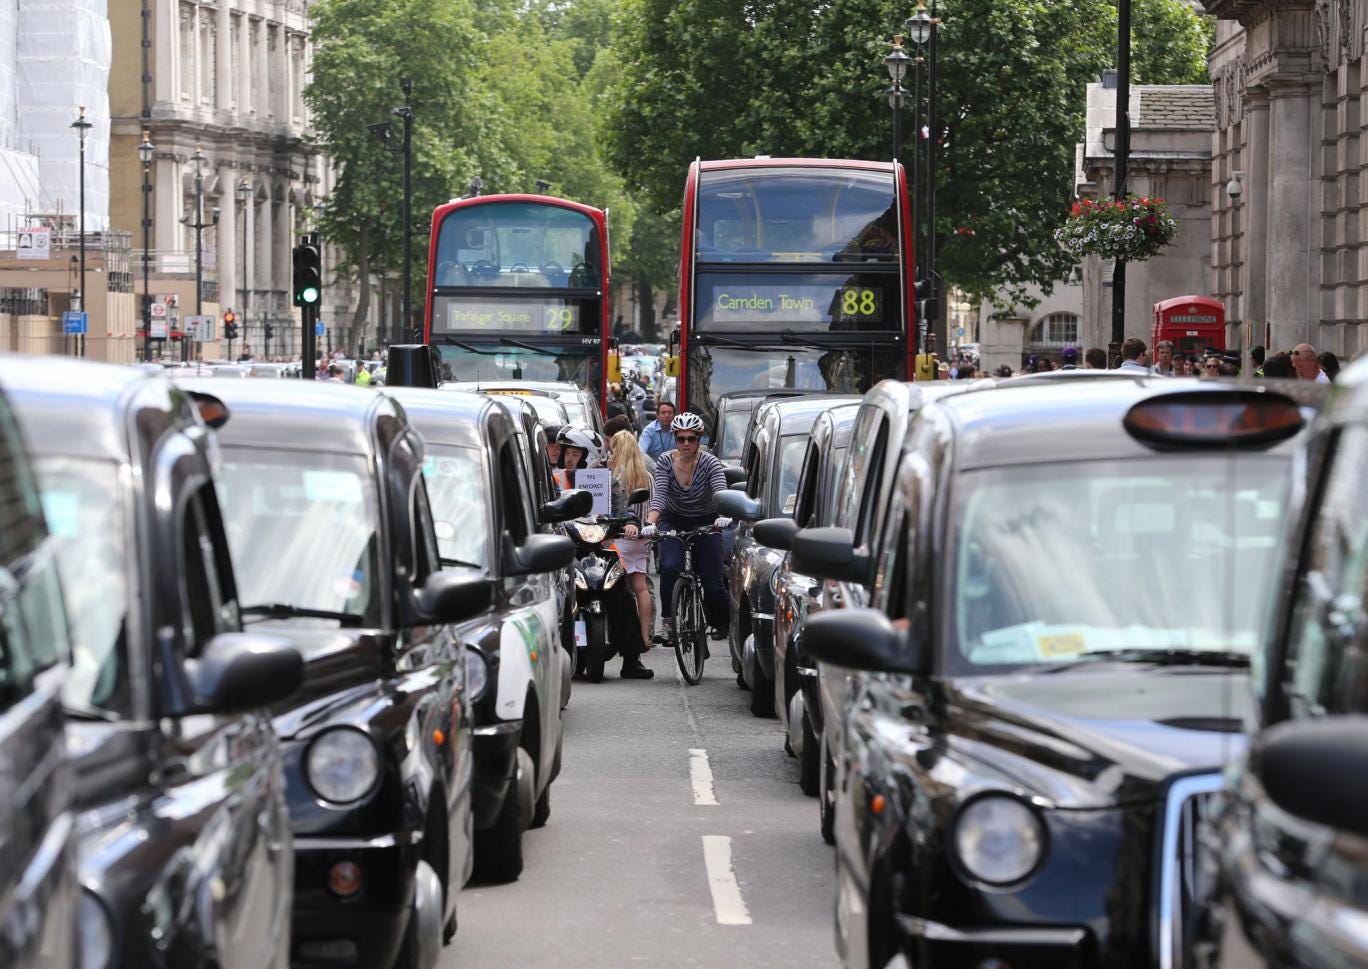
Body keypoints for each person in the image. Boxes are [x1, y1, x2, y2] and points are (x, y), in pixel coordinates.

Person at [557, 427, 651, 679]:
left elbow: (623, 507)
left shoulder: (607, 481)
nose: (569, 458)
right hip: (567, 551)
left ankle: (632, 659)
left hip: (602, 549)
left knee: (623, 595)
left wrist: (630, 522)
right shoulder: (555, 479)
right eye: (567, 452)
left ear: (589, 455)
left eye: (575, 453)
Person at [641, 412, 731, 640]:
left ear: (699, 439)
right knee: (671, 566)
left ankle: (720, 622)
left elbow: (720, 492)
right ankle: (669, 622)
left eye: (691, 438)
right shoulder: (664, 461)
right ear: (675, 438)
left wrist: (723, 516)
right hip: (673, 519)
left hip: (706, 520)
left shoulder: (710, 462)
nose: (686, 444)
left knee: (713, 584)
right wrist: (650, 523)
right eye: (681, 439)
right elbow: (659, 496)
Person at [608, 431, 655, 652]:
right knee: (641, 588)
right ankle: (645, 637)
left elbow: (614, 509)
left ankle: (622, 638)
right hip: (643, 539)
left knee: (620, 592)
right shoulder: (647, 476)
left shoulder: (617, 477)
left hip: (622, 538)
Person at [639, 399, 676, 464]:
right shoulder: (649, 430)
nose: (667, 416)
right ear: (657, 416)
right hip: (654, 469)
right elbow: (640, 453)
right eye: (663, 413)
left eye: (669, 413)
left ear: (674, 415)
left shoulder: (678, 429)